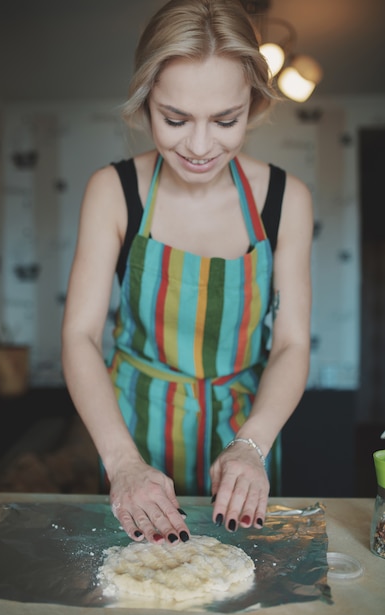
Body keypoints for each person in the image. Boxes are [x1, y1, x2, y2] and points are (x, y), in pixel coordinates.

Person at [61, 0, 313, 546]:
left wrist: (251, 447)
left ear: (254, 105)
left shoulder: (286, 200)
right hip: (131, 428)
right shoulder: (114, 191)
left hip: (247, 432)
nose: (199, 147)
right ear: (146, 102)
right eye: (175, 119)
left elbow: (292, 344)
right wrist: (122, 461)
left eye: (226, 120)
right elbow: (80, 336)